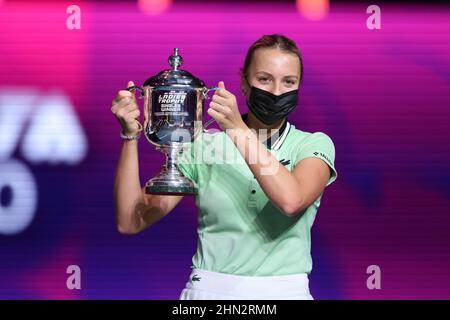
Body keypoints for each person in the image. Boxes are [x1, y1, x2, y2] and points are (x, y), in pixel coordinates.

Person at [111, 34, 338, 300]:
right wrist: (130, 136)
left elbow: (291, 201)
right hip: (209, 291)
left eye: (289, 81)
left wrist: (236, 129)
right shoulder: (204, 145)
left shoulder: (312, 144)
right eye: (264, 79)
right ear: (244, 82)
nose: (277, 91)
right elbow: (130, 221)